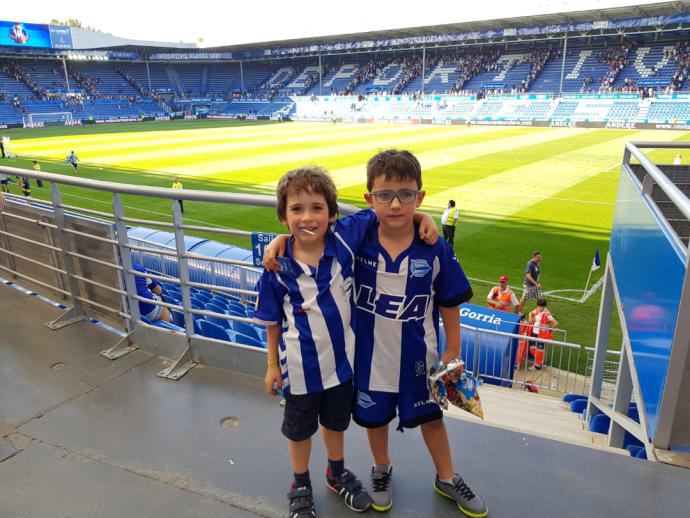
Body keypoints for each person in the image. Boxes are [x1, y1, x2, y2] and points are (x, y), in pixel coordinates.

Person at [256, 166, 439, 518]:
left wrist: (424, 216)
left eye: (317, 208)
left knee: (336, 424)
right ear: (283, 217)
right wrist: (270, 366)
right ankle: (300, 484)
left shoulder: (344, 238)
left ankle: (335, 474)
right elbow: (272, 321)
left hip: (342, 367)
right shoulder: (277, 265)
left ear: (332, 214)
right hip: (299, 369)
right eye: (296, 210)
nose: (307, 217)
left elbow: (388, 208)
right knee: (299, 431)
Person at [352, 150, 487, 517]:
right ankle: (382, 467)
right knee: (375, 419)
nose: (395, 204)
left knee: (432, 419)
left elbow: (449, 300)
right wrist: (281, 242)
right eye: (385, 195)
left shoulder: (434, 246)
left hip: (420, 360)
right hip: (370, 359)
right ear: (369, 199)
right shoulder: (356, 241)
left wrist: (453, 348)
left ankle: (447, 477)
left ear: (420, 197)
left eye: (406, 195)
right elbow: (313, 239)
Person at [526, 298, 558, 370]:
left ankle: (537, 365)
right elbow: (531, 312)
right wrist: (530, 316)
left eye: (542, 307)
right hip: (534, 332)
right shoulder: (537, 310)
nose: (541, 308)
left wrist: (550, 331)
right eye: (540, 306)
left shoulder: (547, 314)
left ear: (545, 306)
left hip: (541, 335)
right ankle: (540, 362)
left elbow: (555, 323)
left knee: (539, 350)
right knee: (532, 348)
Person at [517, 251, 542, 315]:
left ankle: (543, 312)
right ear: (534, 257)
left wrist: (537, 283)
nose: (540, 259)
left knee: (540, 298)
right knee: (524, 298)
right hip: (529, 285)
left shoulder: (537, 263)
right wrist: (536, 284)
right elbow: (528, 275)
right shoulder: (530, 264)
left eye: (540, 257)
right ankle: (519, 311)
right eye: (538, 257)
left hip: (535, 284)